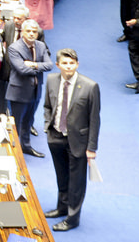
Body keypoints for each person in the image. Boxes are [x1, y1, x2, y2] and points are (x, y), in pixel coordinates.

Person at [43, 48, 100, 232]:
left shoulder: (90, 86)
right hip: (56, 136)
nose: (69, 67)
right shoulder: (51, 80)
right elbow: (47, 106)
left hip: (78, 141)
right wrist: (47, 125)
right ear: (58, 65)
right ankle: (62, 207)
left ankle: (72, 218)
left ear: (77, 64)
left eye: (72, 63)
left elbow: (94, 119)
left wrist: (92, 147)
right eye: (65, 63)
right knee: (62, 177)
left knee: (76, 182)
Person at [6, 19, 52, 157]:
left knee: (28, 121)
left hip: (35, 91)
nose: (32, 34)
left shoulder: (41, 46)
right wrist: (39, 66)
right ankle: (14, 151)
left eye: (34, 31)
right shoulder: (14, 48)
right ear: (23, 32)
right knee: (16, 124)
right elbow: (21, 70)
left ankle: (26, 146)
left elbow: (49, 65)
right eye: (28, 31)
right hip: (19, 92)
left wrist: (33, 65)